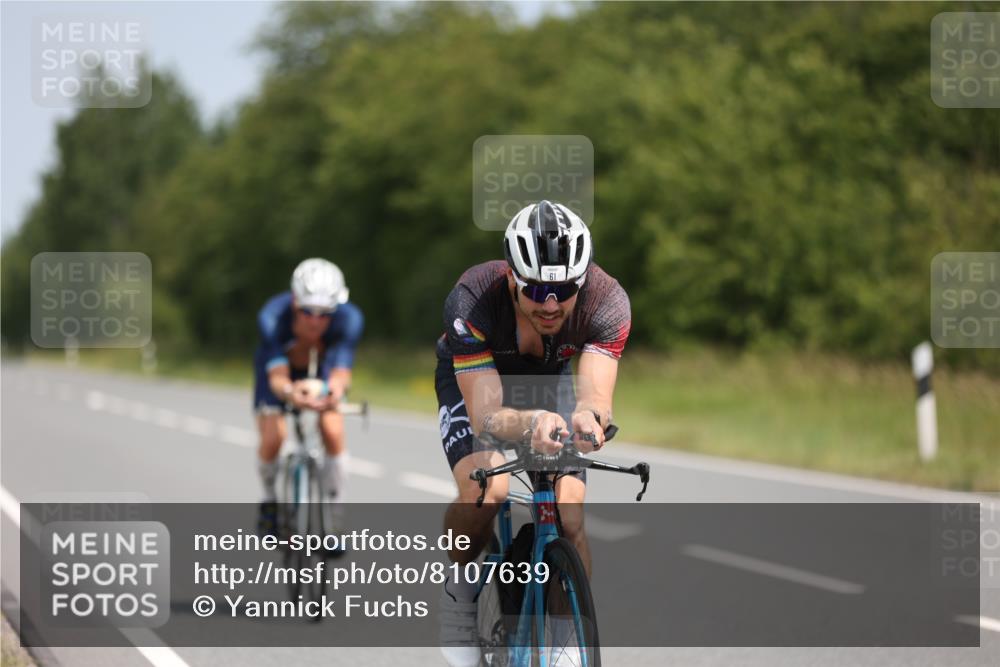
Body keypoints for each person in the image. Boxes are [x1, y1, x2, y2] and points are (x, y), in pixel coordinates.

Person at [435, 201, 631, 666]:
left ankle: (566, 640)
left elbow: (596, 397)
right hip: (478, 380)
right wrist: (530, 423)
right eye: (537, 288)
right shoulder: (472, 299)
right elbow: (486, 415)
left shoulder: (608, 301)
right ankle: (460, 594)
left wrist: (589, 420)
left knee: (571, 513)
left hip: (550, 378)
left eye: (563, 290)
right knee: (490, 489)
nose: (550, 304)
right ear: (510, 278)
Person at [254, 258, 364, 534]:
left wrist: (333, 391)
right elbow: (277, 377)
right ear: (294, 302)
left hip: (322, 370)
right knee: (273, 438)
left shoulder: (349, 320)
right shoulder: (272, 318)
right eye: (307, 311)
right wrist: (291, 392)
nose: (315, 321)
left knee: (332, 428)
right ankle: (269, 500)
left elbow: (341, 372)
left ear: (336, 309)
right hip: (280, 372)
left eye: (324, 313)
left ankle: (335, 517)